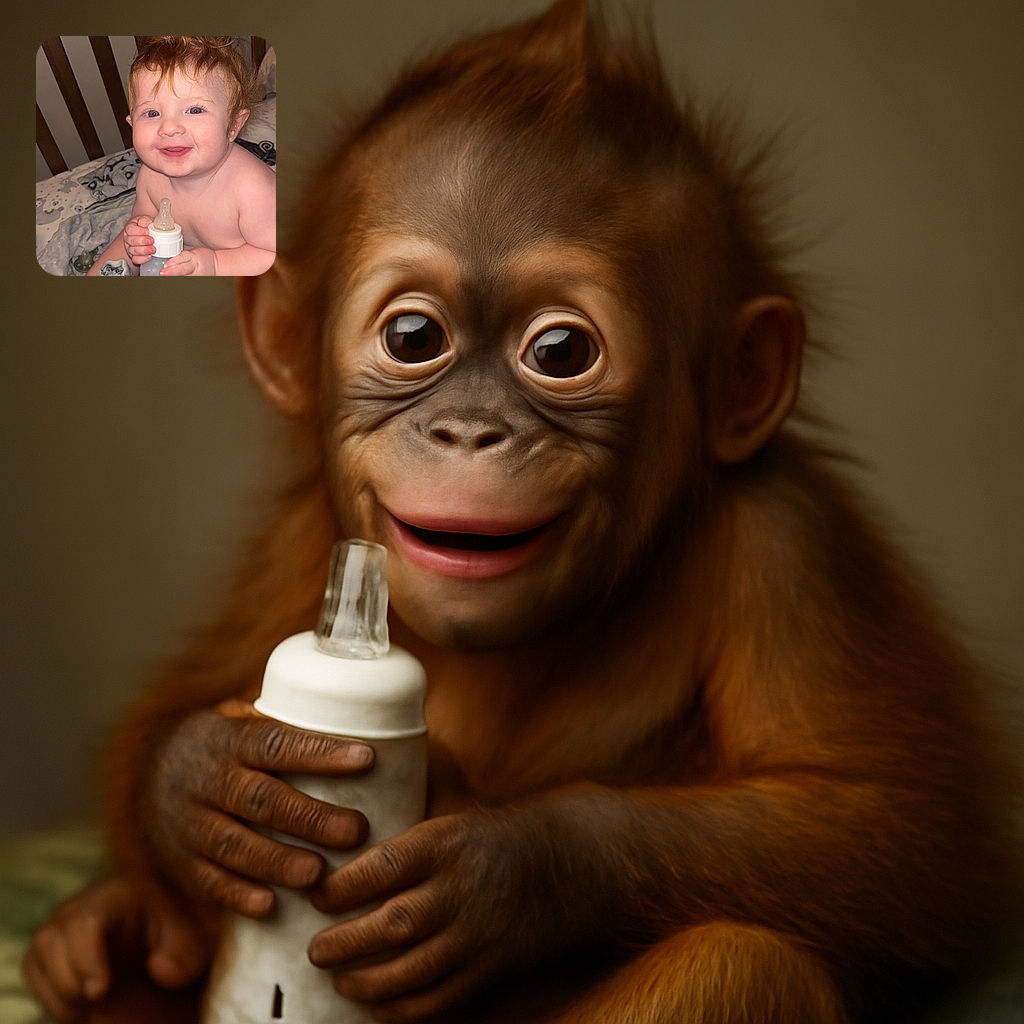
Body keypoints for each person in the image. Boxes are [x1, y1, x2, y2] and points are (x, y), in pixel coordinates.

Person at [88, 36, 275, 277]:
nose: (169, 127)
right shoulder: (150, 174)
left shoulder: (253, 189)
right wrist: (139, 235)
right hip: (180, 261)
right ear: (132, 123)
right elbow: (143, 215)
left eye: (194, 110)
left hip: (240, 263)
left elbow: (274, 256)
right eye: (152, 113)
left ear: (233, 125)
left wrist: (215, 264)